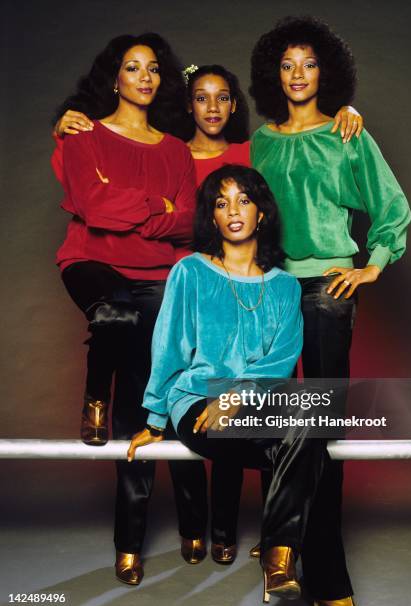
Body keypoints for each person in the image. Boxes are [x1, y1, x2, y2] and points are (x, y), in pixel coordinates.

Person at [52, 59, 364, 566]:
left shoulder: (251, 152)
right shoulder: (172, 151)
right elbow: (110, 186)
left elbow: (297, 139)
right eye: (201, 97)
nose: (212, 107)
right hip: (177, 283)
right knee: (162, 392)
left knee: (285, 413)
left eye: (223, 98)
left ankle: (258, 544)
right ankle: (176, 534)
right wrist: (66, 125)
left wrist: (344, 112)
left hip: (246, 289)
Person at [249, 16, 411, 606]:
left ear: (328, 72)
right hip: (266, 289)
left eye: (310, 63)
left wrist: (375, 262)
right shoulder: (261, 141)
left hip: (327, 285)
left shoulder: (348, 133)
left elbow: (390, 205)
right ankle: (280, 550)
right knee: (268, 422)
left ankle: (326, 575)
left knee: (316, 423)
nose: (297, 75)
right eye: (287, 64)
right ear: (273, 73)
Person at [128, 164, 330, 605]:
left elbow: (281, 362)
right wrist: (156, 417)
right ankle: (282, 553)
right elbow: (170, 348)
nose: (233, 211)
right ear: (212, 217)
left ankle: (278, 555)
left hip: (255, 404)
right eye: (221, 203)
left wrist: (236, 395)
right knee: (306, 445)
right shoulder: (190, 272)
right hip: (197, 403)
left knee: (309, 417)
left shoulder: (285, 287)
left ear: (262, 214)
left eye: (244, 200)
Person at [53, 32, 207, 585]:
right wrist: (155, 209)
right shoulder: (83, 132)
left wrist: (138, 211)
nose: (144, 76)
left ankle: (189, 523)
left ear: (162, 80)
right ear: (113, 78)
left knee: (167, 389)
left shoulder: (174, 151)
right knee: (117, 329)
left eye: (153, 68)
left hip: (159, 277)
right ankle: (131, 537)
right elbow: (92, 207)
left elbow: (190, 221)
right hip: (95, 265)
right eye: (131, 67)